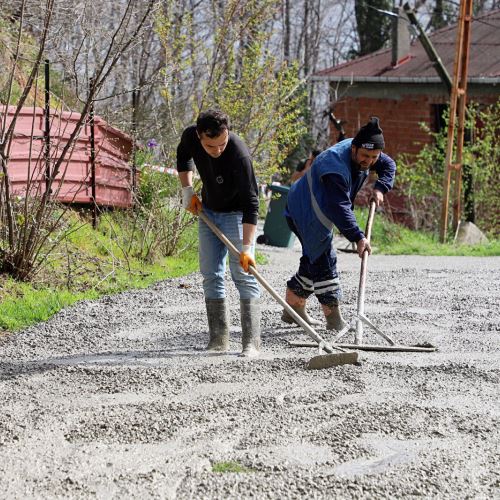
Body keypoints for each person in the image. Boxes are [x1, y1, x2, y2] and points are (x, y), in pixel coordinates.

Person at [282, 117, 396, 329]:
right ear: (354, 148)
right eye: (364, 156)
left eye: (373, 157)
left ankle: (293, 306)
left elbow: (389, 165)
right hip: (305, 210)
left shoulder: (368, 152)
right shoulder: (334, 166)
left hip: (318, 207)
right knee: (324, 259)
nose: (368, 161)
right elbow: (339, 207)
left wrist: (380, 188)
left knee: (314, 257)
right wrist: (358, 237)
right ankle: (334, 321)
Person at [176, 109, 261, 357]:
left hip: (236, 215)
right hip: (209, 212)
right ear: (200, 136)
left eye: (222, 143)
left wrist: (247, 247)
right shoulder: (190, 137)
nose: (218, 150)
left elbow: (251, 203)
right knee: (211, 274)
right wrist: (187, 190)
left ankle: (251, 342)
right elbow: (183, 158)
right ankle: (218, 339)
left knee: (244, 275)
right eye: (211, 146)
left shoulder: (239, 154)